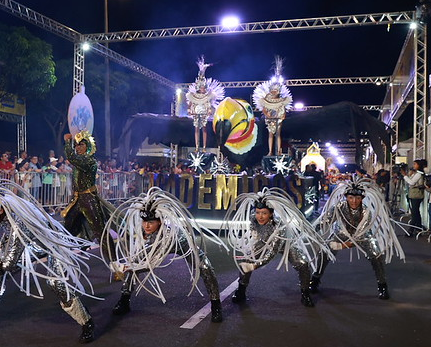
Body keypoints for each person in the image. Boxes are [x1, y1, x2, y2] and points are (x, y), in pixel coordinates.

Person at [0, 181, 97, 343]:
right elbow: (9, 237)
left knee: (55, 283)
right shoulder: (7, 216)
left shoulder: (18, 224)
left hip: (55, 245)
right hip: (34, 244)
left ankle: (87, 322)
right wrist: (0, 250)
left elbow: (8, 265)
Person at [104, 187, 226, 322]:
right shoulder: (145, 230)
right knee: (133, 267)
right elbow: (140, 257)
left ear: (160, 222)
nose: (146, 226)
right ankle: (124, 300)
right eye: (144, 222)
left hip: (182, 245)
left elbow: (149, 260)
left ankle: (216, 304)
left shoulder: (168, 236)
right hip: (156, 246)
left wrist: (126, 266)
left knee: (205, 267)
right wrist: (129, 266)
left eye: (151, 222)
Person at [224, 187, 330, 307]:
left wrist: (255, 266)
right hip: (264, 241)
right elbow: (254, 231)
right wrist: (254, 242)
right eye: (258, 212)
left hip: (286, 244)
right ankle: (241, 290)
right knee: (246, 260)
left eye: (264, 213)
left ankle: (305, 293)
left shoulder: (279, 227)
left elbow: (272, 252)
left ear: (271, 214)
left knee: (303, 264)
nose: (260, 216)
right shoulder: (253, 218)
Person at [312, 177, 403, 299]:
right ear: (346, 197)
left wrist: (341, 246)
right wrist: (313, 230)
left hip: (363, 236)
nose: (354, 201)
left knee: (376, 255)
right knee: (324, 252)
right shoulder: (339, 207)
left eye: (358, 198)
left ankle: (382, 285)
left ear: (362, 198)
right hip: (341, 233)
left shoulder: (366, 211)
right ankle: (315, 279)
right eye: (351, 198)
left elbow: (360, 236)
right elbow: (325, 220)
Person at [61, 131, 114, 244]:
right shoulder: (80, 161)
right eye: (76, 145)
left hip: (88, 200)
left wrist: (68, 142)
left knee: (100, 233)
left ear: (88, 146)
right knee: (67, 230)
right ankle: (66, 253)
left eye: (81, 144)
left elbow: (72, 158)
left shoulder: (89, 161)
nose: (78, 148)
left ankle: (112, 255)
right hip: (76, 200)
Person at [186, 56, 224, 152]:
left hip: (204, 113)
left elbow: (209, 104)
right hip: (196, 113)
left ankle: (204, 147)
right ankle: (197, 147)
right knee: (196, 129)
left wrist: (209, 110)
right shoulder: (193, 95)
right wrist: (189, 110)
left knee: (204, 129)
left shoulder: (207, 96)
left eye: (204, 87)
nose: (203, 89)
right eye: (201, 87)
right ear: (199, 87)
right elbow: (190, 104)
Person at [402, 159, 427, 232]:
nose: (413, 166)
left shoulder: (419, 174)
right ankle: (418, 226)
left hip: (416, 195)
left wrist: (405, 176)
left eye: (415, 164)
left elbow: (411, 183)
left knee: (415, 212)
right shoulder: (416, 173)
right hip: (414, 194)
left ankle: (412, 228)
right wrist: (409, 175)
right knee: (416, 211)